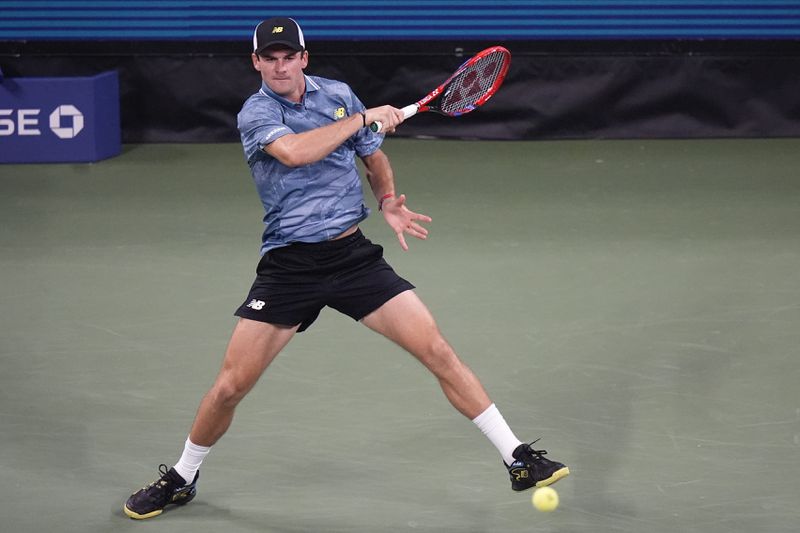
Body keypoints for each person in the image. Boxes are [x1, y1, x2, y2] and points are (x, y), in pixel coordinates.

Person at [123, 16, 569, 520]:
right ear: (256, 63)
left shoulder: (338, 94)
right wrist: (361, 119)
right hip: (290, 266)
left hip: (352, 256)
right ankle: (182, 477)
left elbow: (373, 157)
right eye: (269, 58)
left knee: (437, 350)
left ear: (303, 58)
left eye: (288, 56)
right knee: (230, 387)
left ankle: (516, 458)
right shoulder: (256, 113)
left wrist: (386, 201)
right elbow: (293, 153)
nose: (279, 66)